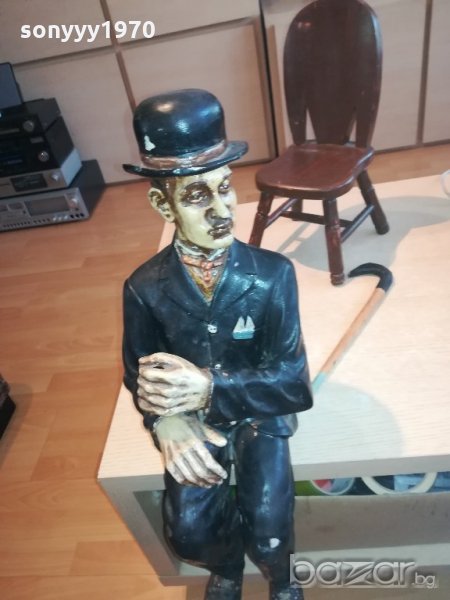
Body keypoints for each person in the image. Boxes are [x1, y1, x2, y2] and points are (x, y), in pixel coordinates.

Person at [122, 89, 313, 600]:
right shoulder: (143, 288)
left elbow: (294, 383)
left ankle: (282, 578)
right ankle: (226, 567)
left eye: (224, 187)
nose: (221, 209)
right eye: (196, 196)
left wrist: (210, 386)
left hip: (258, 413)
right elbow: (137, 371)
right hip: (191, 419)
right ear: (162, 204)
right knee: (188, 533)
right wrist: (164, 421)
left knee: (270, 524)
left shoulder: (273, 275)